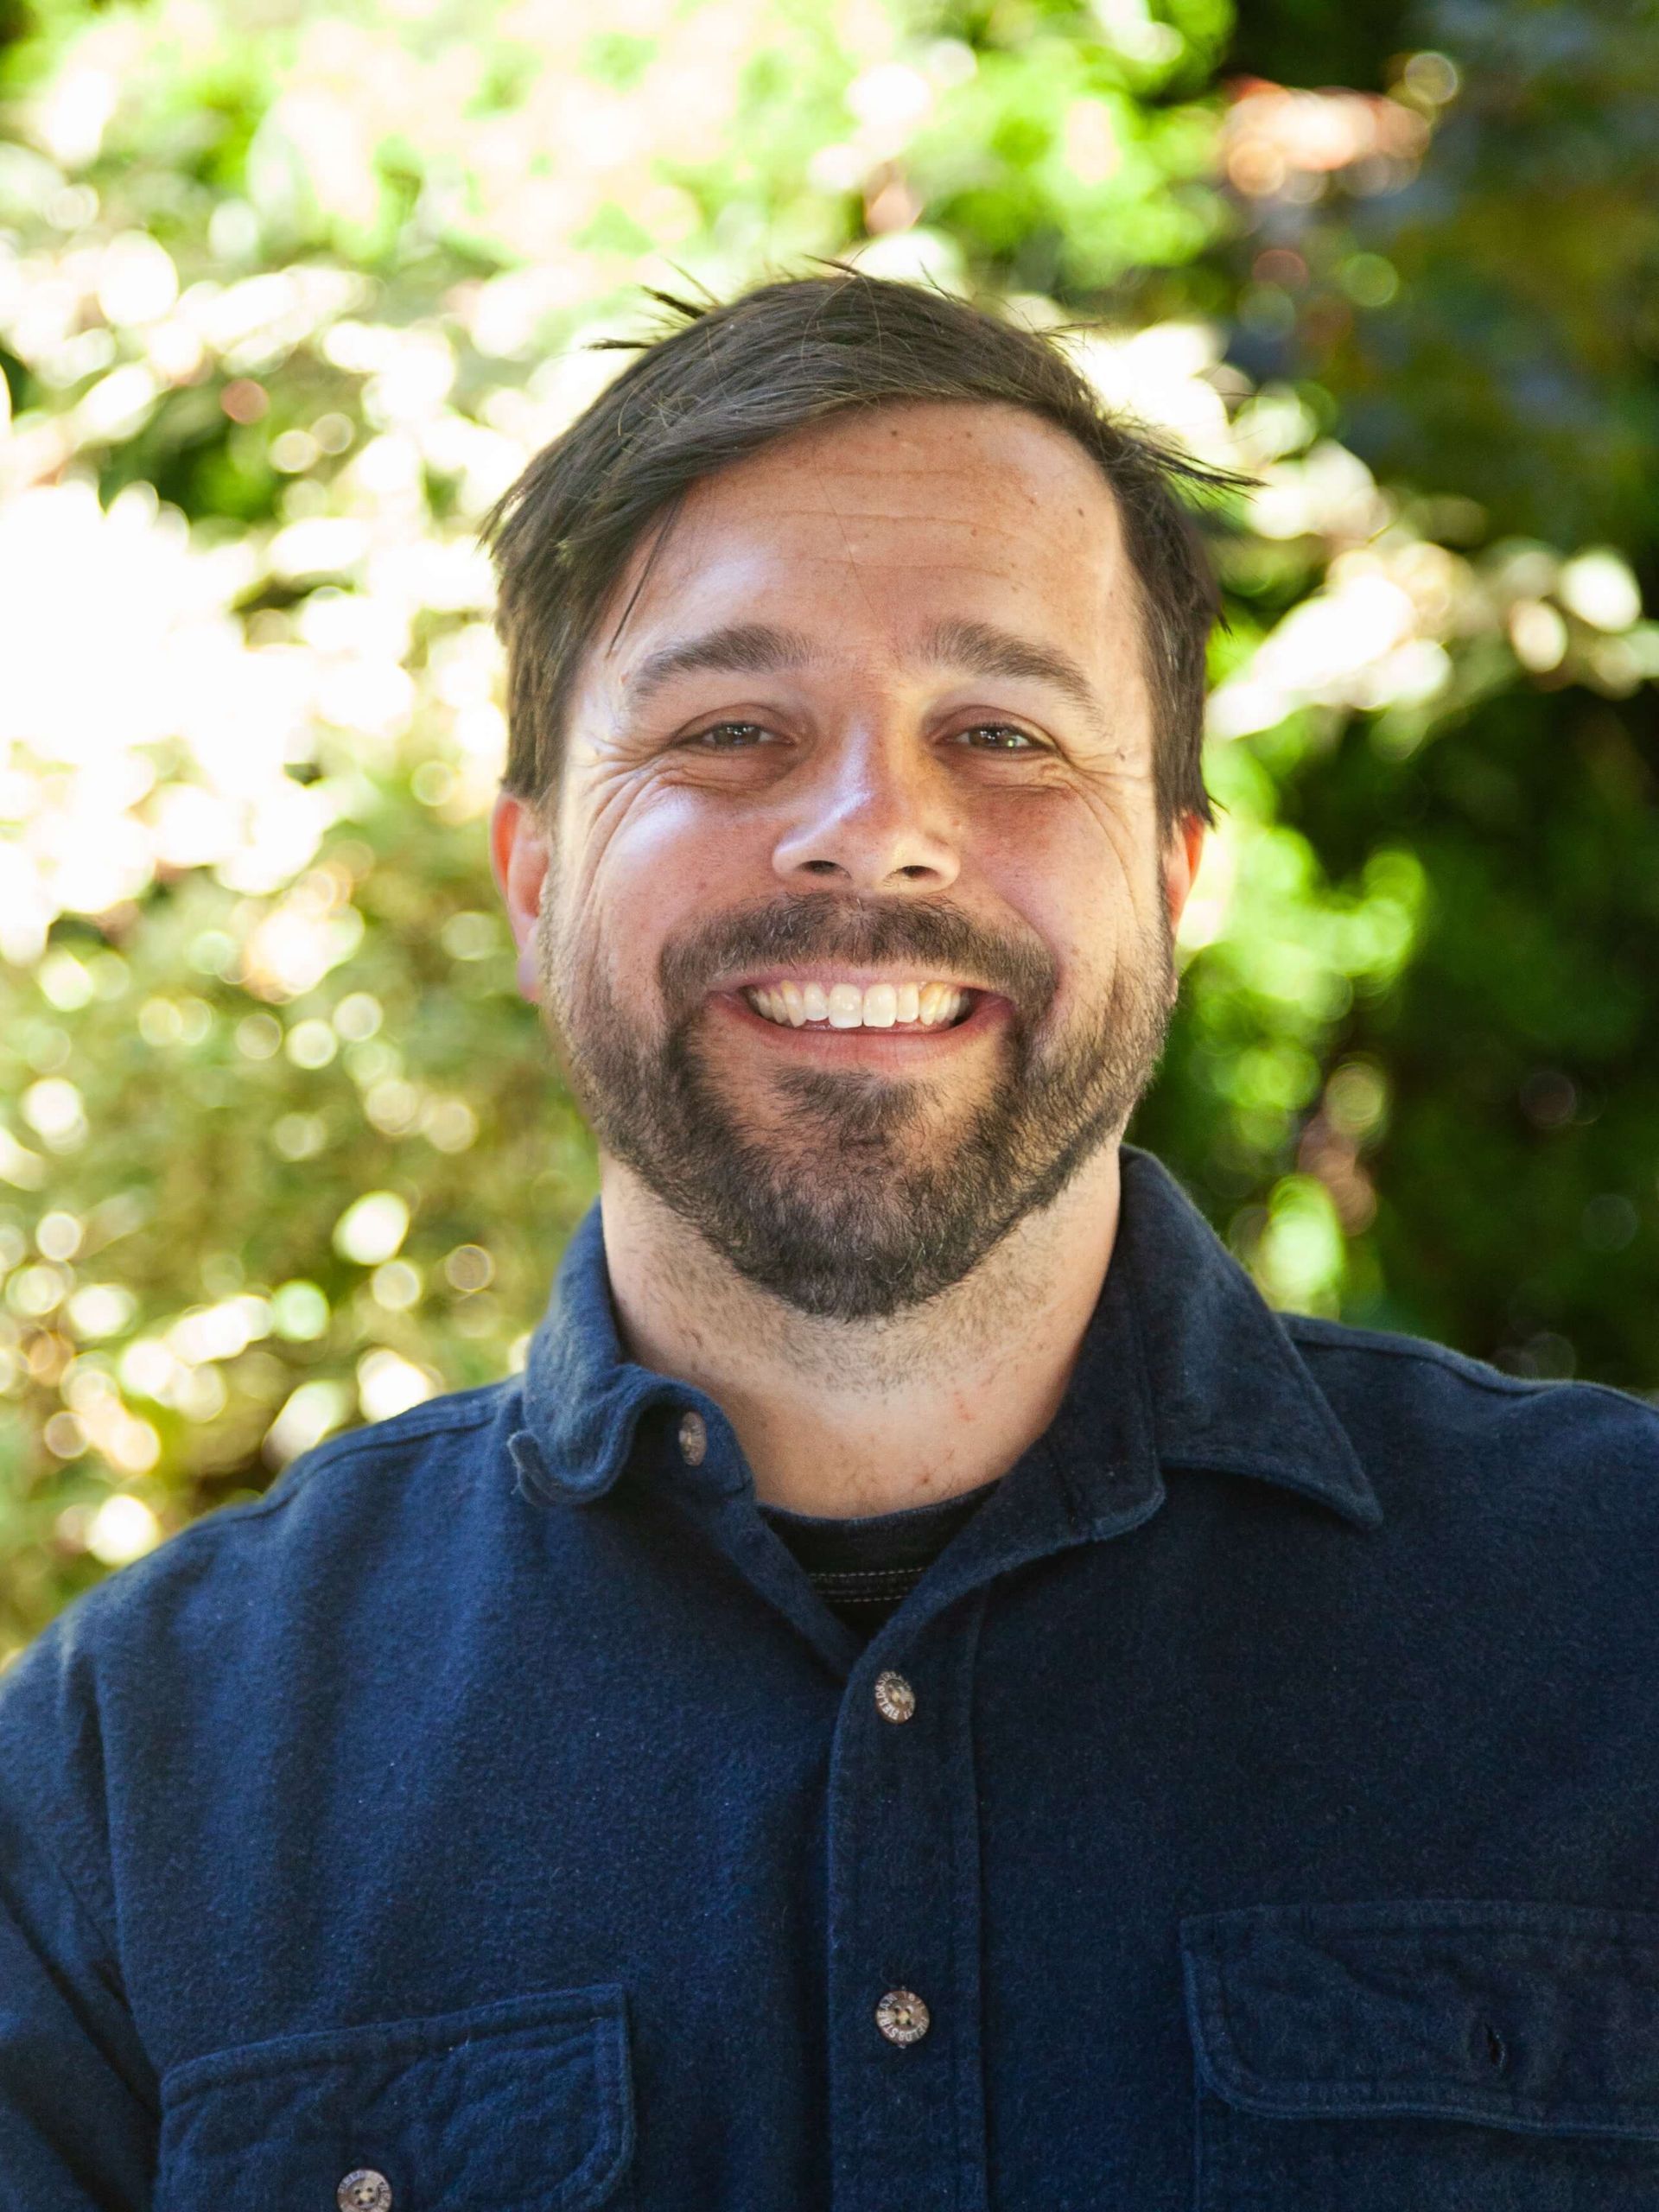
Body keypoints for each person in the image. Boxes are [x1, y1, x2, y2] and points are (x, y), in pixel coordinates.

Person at [3, 271, 1657, 2212]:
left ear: (1174, 876)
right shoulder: (139, 1773)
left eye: (1004, 730)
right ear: (533, 881)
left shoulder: (1621, 1624)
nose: (875, 832)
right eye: (730, 728)